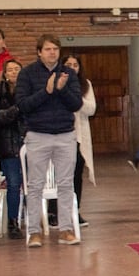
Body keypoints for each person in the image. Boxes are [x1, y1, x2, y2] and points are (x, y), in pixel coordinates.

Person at [15, 35, 83, 247]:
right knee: (35, 185)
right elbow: (23, 105)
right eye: (47, 49)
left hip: (65, 134)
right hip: (38, 134)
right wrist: (46, 91)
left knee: (66, 184)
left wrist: (62, 90)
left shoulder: (69, 73)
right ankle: (34, 232)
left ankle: (65, 229)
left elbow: (76, 104)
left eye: (55, 49)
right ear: (39, 52)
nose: (52, 52)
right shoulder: (27, 73)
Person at [44, 53, 95, 228]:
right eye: (69, 64)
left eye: (75, 65)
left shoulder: (85, 85)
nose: (72, 68)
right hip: (58, 133)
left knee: (76, 173)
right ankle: (54, 211)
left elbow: (91, 109)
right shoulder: (54, 81)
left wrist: (75, 98)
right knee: (57, 173)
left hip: (78, 136)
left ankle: (75, 209)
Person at [0, 59, 25, 239]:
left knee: (33, 183)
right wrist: (17, 109)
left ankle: (34, 219)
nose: (14, 72)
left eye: (17, 69)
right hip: (7, 144)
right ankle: (13, 221)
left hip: (29, 142)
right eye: (10, 70)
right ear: (4, 73)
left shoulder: (29, 90)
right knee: (13, 183)